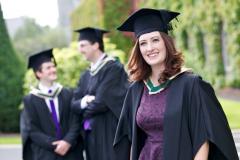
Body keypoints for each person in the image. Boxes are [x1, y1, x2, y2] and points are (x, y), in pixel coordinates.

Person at [113, 8, 239, 160]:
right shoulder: (136, 89)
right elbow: (131, 139)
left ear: (166, 42)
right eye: (143, 43)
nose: (150, 48)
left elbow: (203, 137)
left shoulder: (190, 85)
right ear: (138, 50)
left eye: (155, 40)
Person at [72, 27, 129, 160]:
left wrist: (83, 111)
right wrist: (86, 100)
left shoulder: (113, 68)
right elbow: (74, 105)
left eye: (83, 45)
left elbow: (101, 103)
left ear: (96, 45)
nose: (80, 50)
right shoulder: (85, 75)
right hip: (91, 136)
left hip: (110, 133)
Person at [20, 49, 84, 160]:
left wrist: (67, 142)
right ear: (38, 73)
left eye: (53, 66)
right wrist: (54, 145)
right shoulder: (30, 100)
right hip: (45, 154)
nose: (53, 69)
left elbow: (75, 120)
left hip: (71, 153)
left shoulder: (67, 93)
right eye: (48, 68)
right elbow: (32, 129)